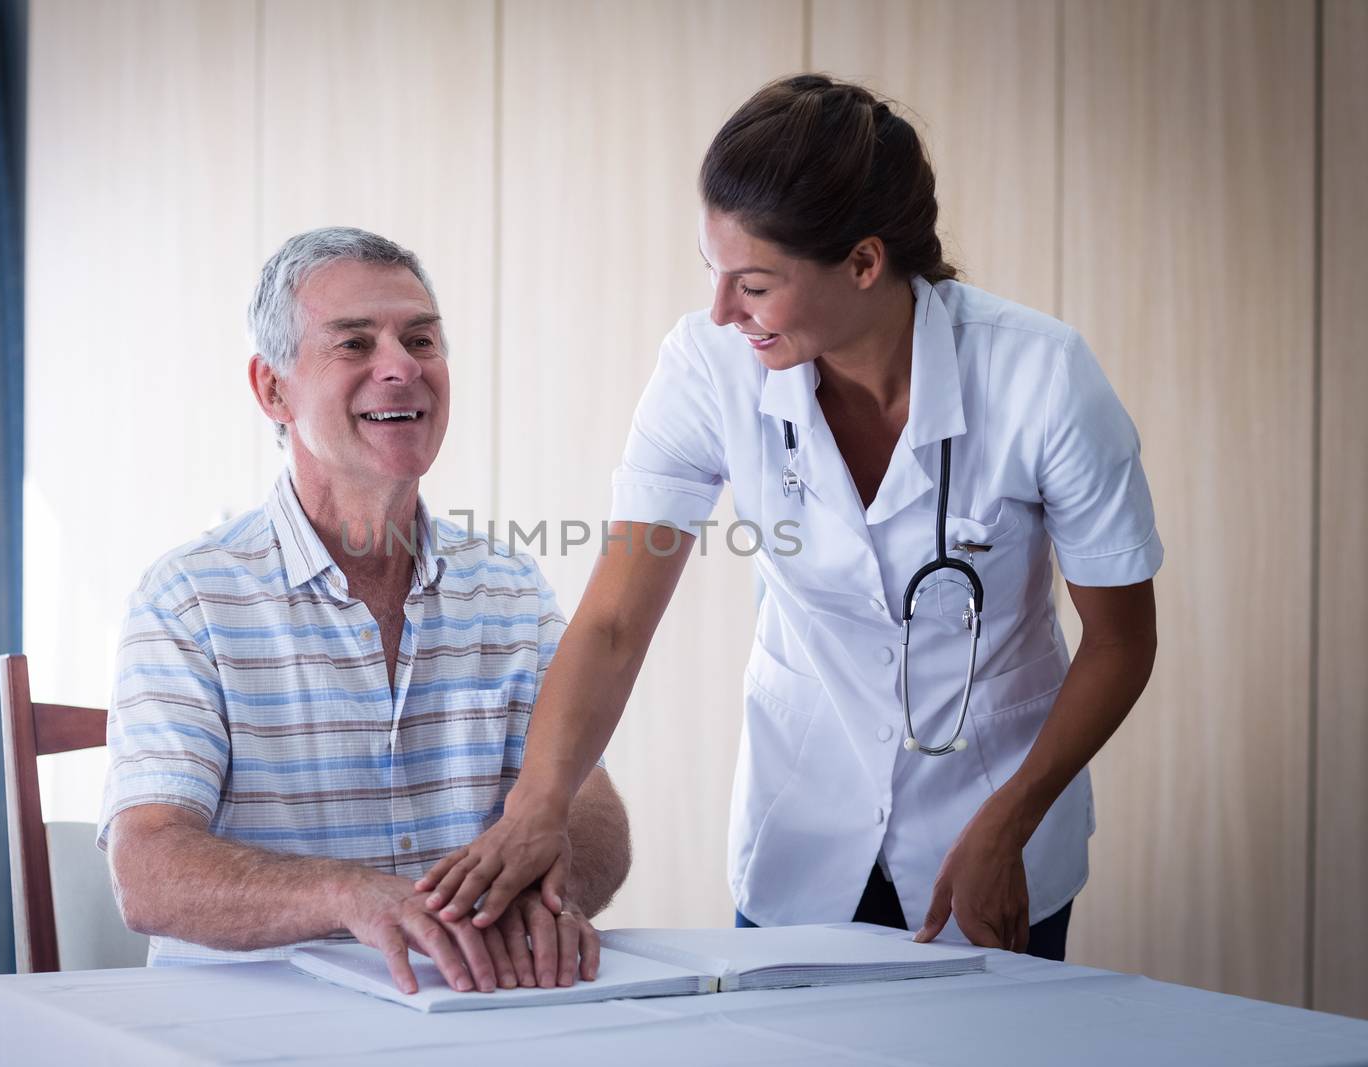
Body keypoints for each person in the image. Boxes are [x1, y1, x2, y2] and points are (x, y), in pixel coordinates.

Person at [418, 76, 1160, 961]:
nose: (723, 311)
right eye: (714, 273)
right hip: (803, 827)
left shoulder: (1041, 378)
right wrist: (535, 808)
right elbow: (616, 619)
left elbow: (1121, 641)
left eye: (756, 284)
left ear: (864, 263)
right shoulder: (708, 368)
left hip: (997, 821)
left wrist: (1012, 818)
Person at [99, 227, 631, 993]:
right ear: (272, 389)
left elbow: (593, 809)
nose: (402, 367)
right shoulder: (189, 598)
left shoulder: (508, 586)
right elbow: (148, 871)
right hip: (250, 1034)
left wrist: (548, 893)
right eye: (355, 344)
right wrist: (349, 894)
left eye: (421, 339)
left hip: (469, 1021)